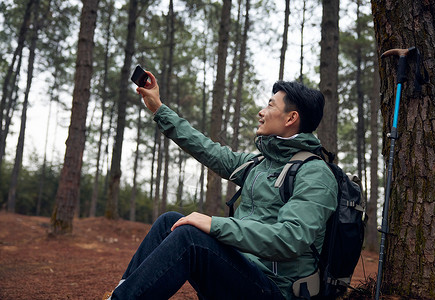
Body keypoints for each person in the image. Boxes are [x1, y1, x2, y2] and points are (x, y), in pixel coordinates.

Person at [103, 71, 338, 300]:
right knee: (170, 222)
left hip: (277, 289)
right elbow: (208, 150)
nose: (261, 112)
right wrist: (158, 109)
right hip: (246, 270)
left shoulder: (314, 173)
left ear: (290, 118)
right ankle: (119, 295)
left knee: (189, 237)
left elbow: (290, 238)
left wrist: (214, 224)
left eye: (270, 105)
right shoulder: (261, 164)